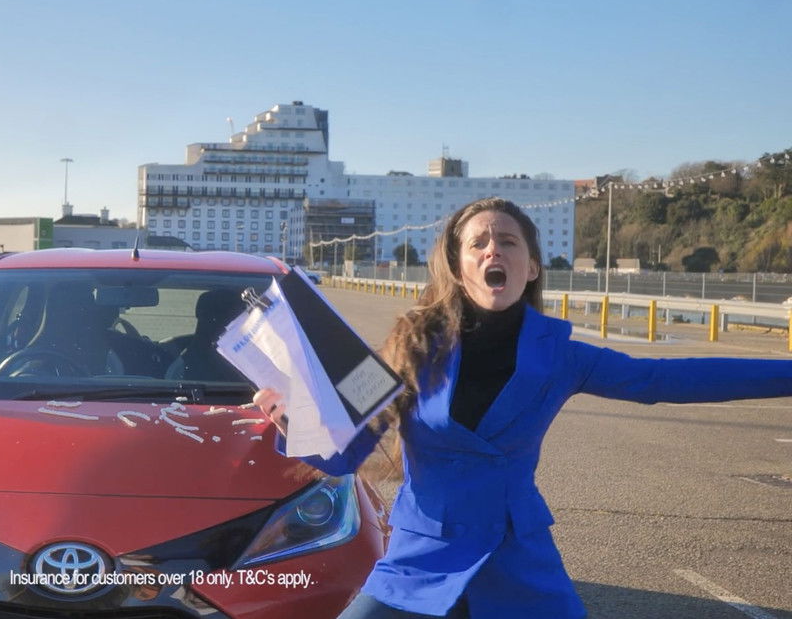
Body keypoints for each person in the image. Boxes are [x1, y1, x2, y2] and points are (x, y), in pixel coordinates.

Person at [254, 196, 792, 619]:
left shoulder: (559, 356)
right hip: (419, 560)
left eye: (508, 242)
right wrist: (293, 423)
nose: (494, 251)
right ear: (458, 266)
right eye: (479, 244)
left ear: (531, 266)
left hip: (516, 557)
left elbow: (660, 378)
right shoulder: (405, 349)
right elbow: (347, 457)